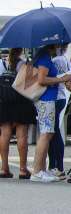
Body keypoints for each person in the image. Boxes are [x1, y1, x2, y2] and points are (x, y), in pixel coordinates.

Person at [31, 43, 71, 182]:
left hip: (48, 99)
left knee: (47, 133)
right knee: (46, 133)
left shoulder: (44, 55)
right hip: (46, 99)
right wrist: (61, 79)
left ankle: (41, 170)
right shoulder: (44, 56)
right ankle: (37, 171)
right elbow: (42, 79)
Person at [0, 47, 36, 179]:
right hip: (21, 100)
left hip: (5, 101)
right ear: (21, 50)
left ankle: (4, 168)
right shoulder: (26, 63)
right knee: (21, 135)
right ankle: (23, 169)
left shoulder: (0, 63)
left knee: (4, 134)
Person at [49, 44, 69, 179]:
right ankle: (53, 165)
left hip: (57, 96)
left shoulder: (57, 60)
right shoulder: (65, 58)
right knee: (52, 132)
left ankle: (58, 167)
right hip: (60, 97)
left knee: (54, 132)